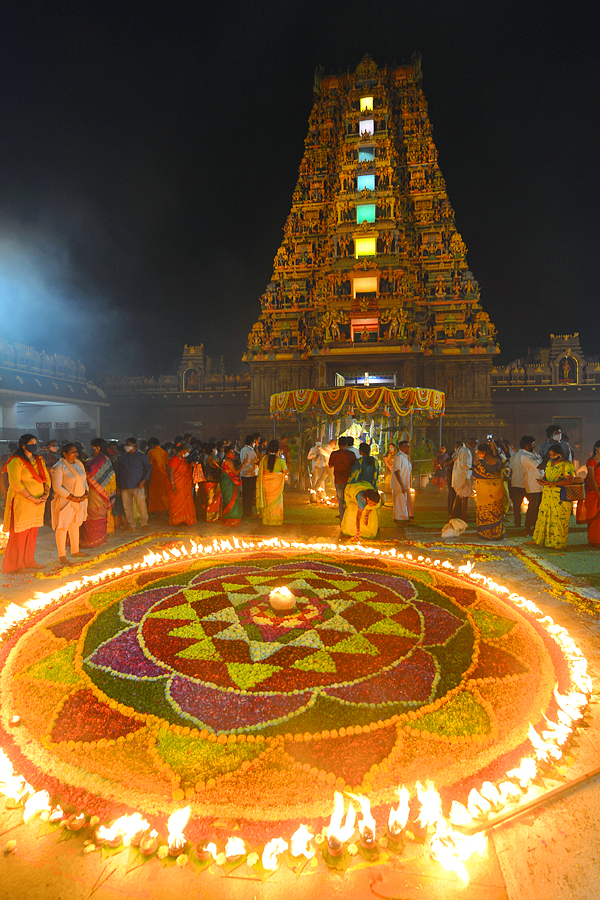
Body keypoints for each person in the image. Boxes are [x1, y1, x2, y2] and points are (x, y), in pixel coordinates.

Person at [2, 434, 50, 574]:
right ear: (23, 445)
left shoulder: (39, 459)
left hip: (39, 502)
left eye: (35, 442)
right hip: (23, 502)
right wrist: (31, 498)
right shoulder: (16, 461)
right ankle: (16, 565)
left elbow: (46, 477)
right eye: (31, 443)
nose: (34, 445)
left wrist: (46, 493)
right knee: (20, 534)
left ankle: (29, 561)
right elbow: (15, 483)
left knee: (32, 533)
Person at [532, 443, 576, 549]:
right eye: (550, 455)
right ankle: (543, 540)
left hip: (560, 496)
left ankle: (557, 543)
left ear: (560, 454)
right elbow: (546, 476)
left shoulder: (567, 464)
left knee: (558, 521)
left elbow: (569, 480)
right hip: (547, 494)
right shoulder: (549, 463)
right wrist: (543, 481)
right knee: (544, 517)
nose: (552, 457)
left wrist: (552, 484)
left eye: (554, 455)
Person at [51, 443, 89, 565]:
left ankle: (75, 550)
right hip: (66, 501)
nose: (76, 454)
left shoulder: (79, 464)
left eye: (76, 451)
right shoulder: (59, 467)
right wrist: (72, 497)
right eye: (72, 452)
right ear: (64, 453)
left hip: (80, 500)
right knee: (62, 527)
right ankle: (61, 555)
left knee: (75, 525)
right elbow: (57, 487)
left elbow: (84, 480)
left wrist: (85, 493)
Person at [80, 438, 116, 548]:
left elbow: (89, 473)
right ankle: (98, 540)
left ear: (97, 448)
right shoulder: (104, 459)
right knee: (97, 514)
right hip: (102, 492)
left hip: (96, 492)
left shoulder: (98, 460)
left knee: (94, 514)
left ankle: (92, 541)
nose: (90, 450)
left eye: (92, 447)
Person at [115, 437, 151, 531]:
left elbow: (148, 469)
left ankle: (144, 523)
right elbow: (118, 471)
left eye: (128, 445)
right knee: (127, 507)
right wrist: (118, 485)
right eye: (126, 445)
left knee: (141, 505)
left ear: (134, 445)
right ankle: (132, 525)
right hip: (124, 485)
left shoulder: (141, 456)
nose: (126, 447)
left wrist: (143, 481)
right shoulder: (122, 457)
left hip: (137, 485)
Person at [471, 441, 506, 540]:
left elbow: (475, 474)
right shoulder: (499, 460)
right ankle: (497, 533)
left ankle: (485, 533)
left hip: (485, 493)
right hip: (497, 490)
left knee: (484, 512)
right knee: (496, 512)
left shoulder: (480, 463)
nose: (478, 454)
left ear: (483, 452)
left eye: (479, 452)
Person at [509, 436, 541, 530]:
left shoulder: (514, 456)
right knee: (532, 505)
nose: (534, 446)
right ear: (527, 445)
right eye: (533, 444)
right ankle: (530, 524)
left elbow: (511, 469)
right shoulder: (526, 456)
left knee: (517, 505)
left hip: (516, 482)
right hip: (527, 483)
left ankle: (518, 522)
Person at [256, 439, 288, 525]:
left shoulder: (264, 459)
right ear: (278, 450)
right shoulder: (281, 460)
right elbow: (285, 471)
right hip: (276, 486)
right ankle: (276, 521)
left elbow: (261, 471)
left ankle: (267, 520)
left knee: (267, 502)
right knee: (276, 502)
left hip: (266, 485)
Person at [167, 442, 196, 526]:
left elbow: (185, 471)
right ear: (183, 450)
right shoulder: (175, 459)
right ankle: (177, 520)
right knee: (176, 503)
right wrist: (173, 485)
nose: (188, 454)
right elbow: (170, 473)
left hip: (183, 486)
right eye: (188, 452)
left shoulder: (182, 459)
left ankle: (183, 519)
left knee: (184, 503)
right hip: (176, 485)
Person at [328, 436, 356, 519]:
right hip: (349, 480)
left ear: (338, 444)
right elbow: (354, 466)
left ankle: (342, 518)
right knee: (348, 500)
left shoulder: (334, 454)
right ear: (347, 444)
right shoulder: (351, 454)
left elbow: (330, 465)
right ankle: (348, 519)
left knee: (340, 501)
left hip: (338, 480)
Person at [452, 438, 476, 520]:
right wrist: (474, 468)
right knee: (465, 497)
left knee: (459, 496)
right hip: (464, 477)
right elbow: (466, 465)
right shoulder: (466, 451)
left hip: (457, 477)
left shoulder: (458, 452)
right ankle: (463, 516)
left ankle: (453, 514)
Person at [147, 437, 170, 517]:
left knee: (153, 495)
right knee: (163, 495)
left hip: (154, 477)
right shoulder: (165, 452)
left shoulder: (151, 452)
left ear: (151, 444)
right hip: (164, 477)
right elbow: (167, 465)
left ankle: (155, 511)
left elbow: (149, 465)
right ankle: (164, 511)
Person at [220, 447, 243, 526]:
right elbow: (235, 472)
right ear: (226, 454)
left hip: (227, 482)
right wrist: (243, 465)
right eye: (230, 453)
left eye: (233, 453)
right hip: (229, 483)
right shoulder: (228, 461)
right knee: (231, 500)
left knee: (228, 500)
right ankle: (232, 518)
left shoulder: (226, 460)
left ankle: (227, 518)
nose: (232, 454)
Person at [392, 440, 413, 524]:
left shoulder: (405, 457)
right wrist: (402, 485)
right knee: (399, 503)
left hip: (404, 483)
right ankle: (400, 518)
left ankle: (404, 518)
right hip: (399, 484)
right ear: (400, 447)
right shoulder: (399, 457)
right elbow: (397, 472)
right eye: (404, 446)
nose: (406, 448)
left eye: (408, 447)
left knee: (403, 502)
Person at [584, 440, 600, 546]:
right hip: (594, 492)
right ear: (597, 448)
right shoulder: (591, 461)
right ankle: (594, 540)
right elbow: (591, 477)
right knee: (594, 515)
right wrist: (598, 491)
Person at [240, 435, 259, 517]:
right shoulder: (251, 451)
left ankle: (245, 511)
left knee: (245, 494)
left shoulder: (242, 450)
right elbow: (256, 461)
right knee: (250, 494)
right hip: (251, 474)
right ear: (252, 443)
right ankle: (249, 511)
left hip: (244, 473)